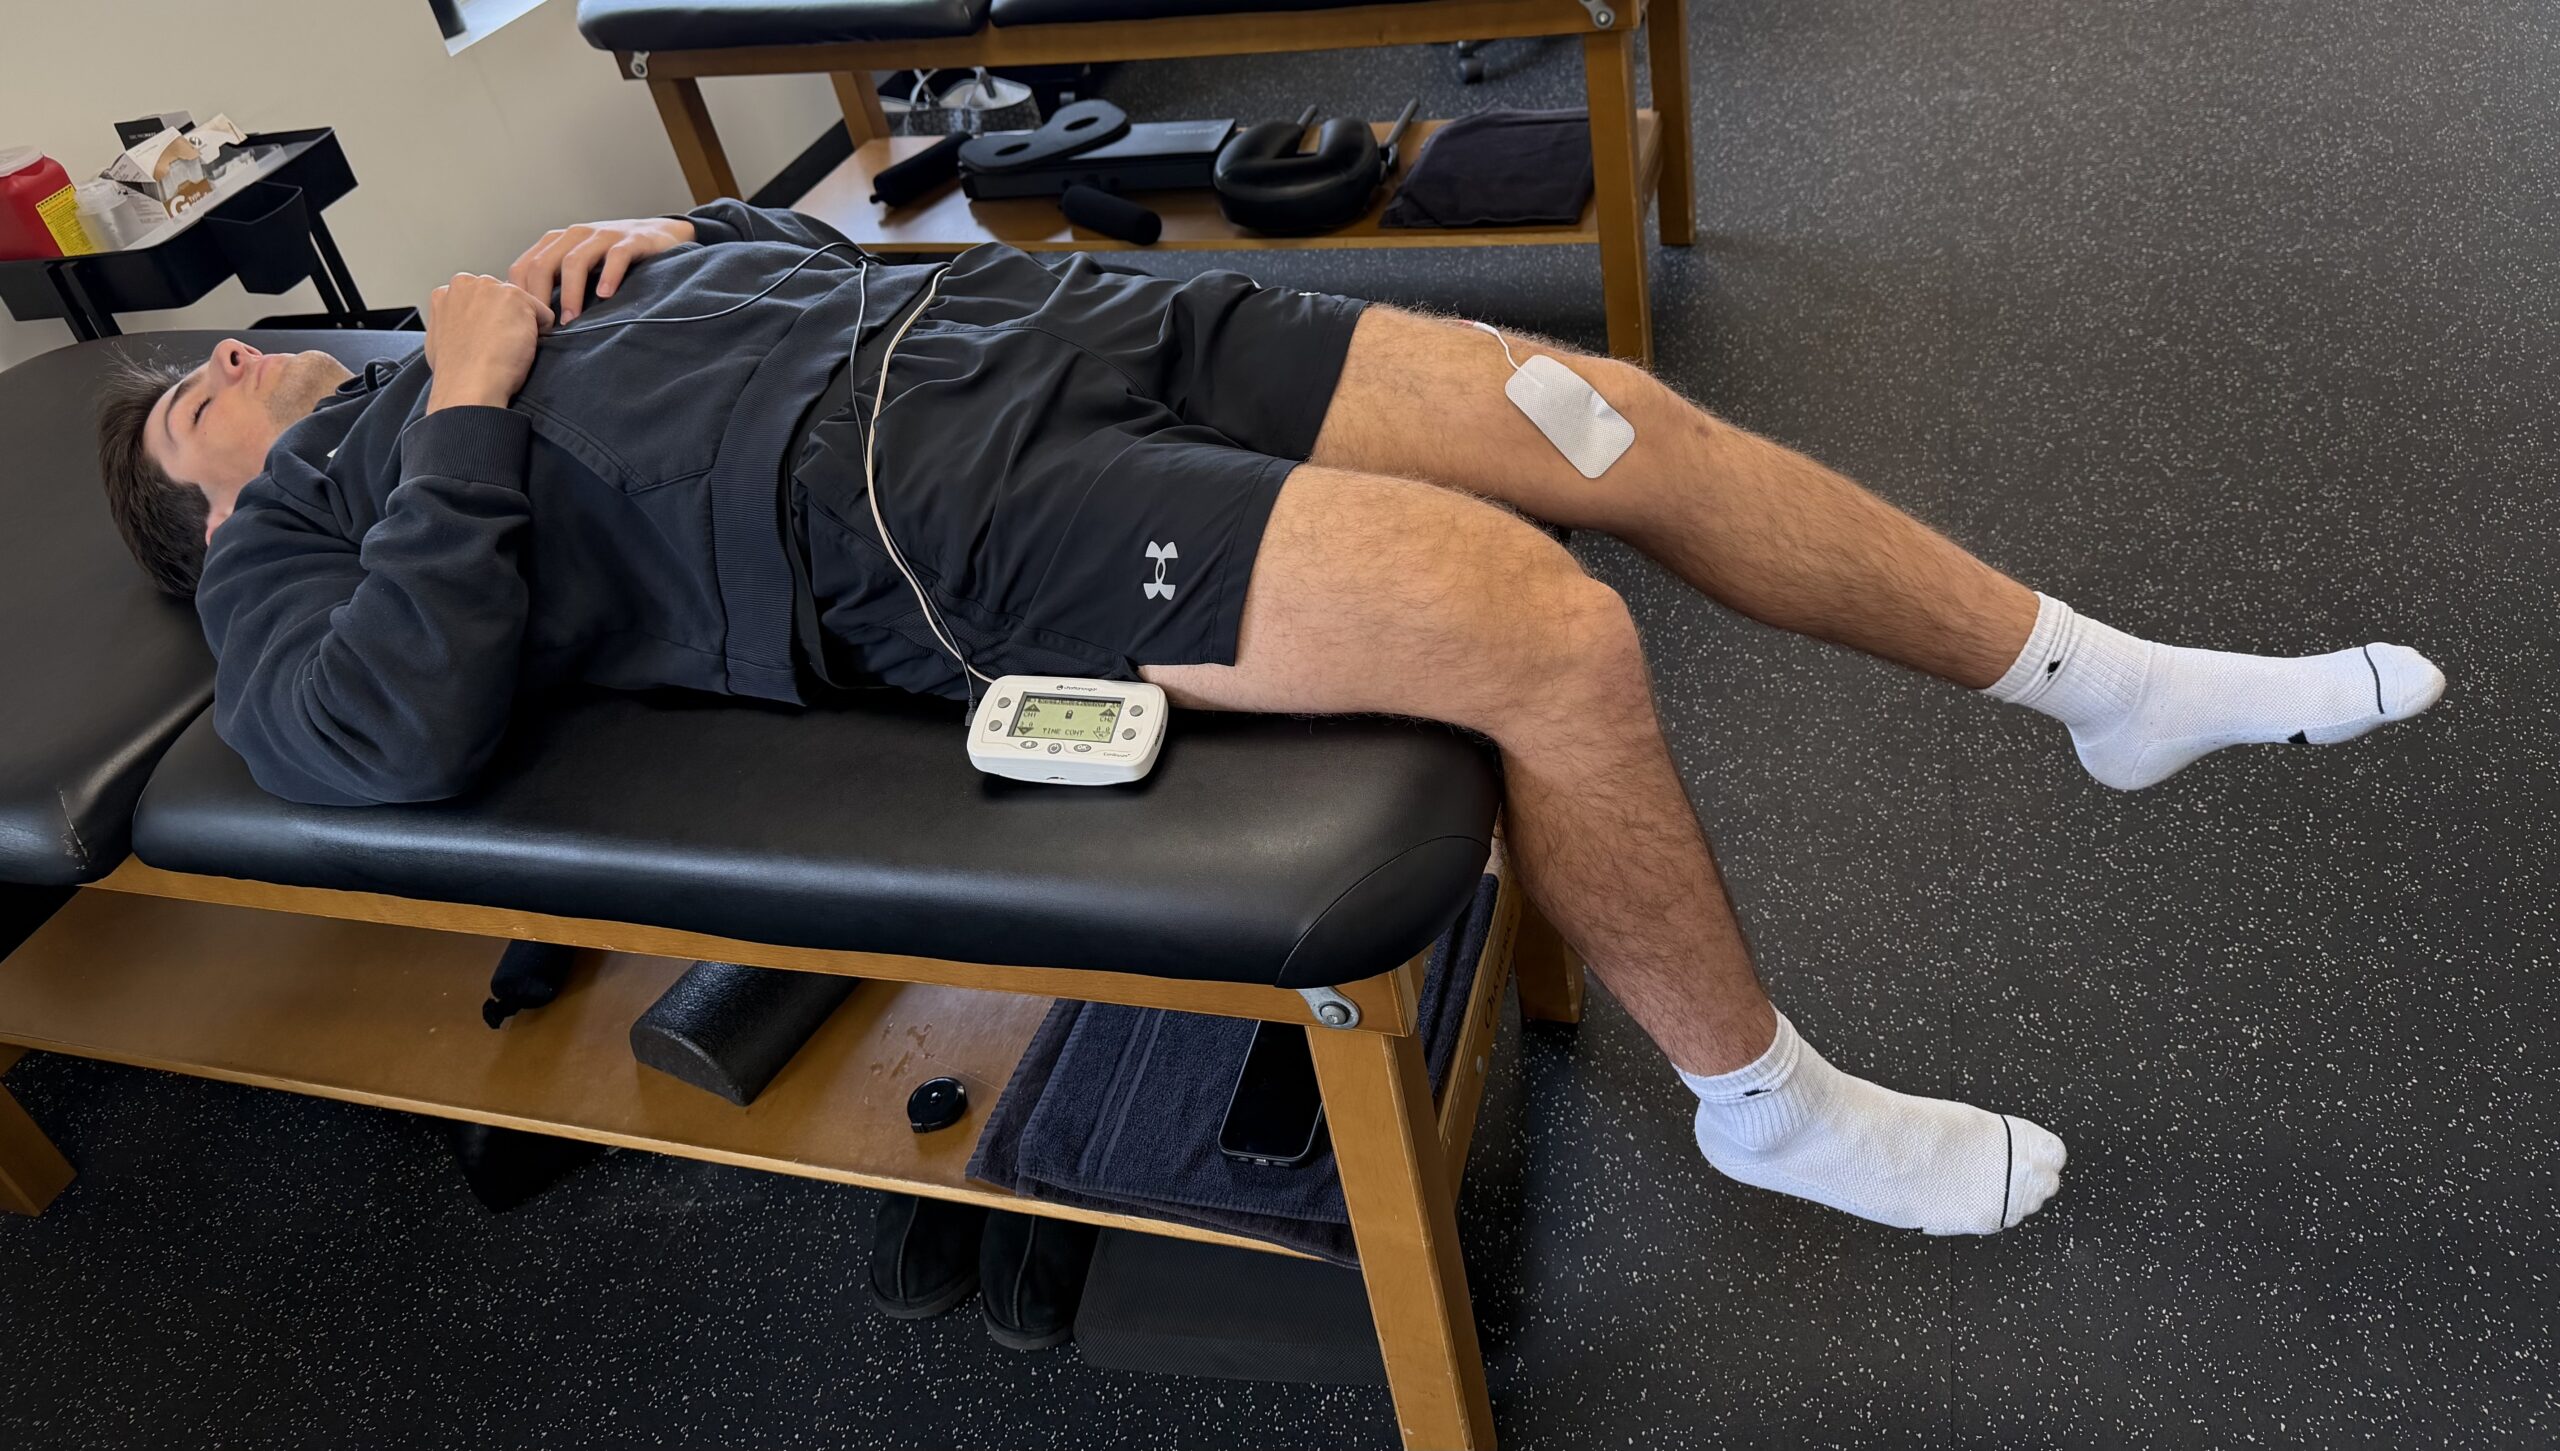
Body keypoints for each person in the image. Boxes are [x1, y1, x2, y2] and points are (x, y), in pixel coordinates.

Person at [93, 202, 2445, 1238]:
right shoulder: (307, 535)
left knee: (1597, 415)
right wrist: (468, 396)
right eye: (192, 396)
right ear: (202, 516)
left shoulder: (495, 317)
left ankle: (2094, 683)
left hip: (1024, 325)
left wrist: (687, 250)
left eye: (229, 350)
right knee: (1538, 632)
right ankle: (1765, 1110)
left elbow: (799, 285)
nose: (237, 359)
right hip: (926, 518)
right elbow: (378, 743)